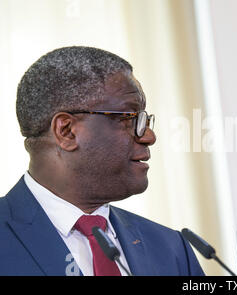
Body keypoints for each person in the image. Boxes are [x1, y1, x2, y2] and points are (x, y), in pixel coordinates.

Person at [0, 46, 204, 276]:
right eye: (130, 118)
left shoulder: (171, 248)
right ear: (67, 131)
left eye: (146, 120)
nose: (149, 136)